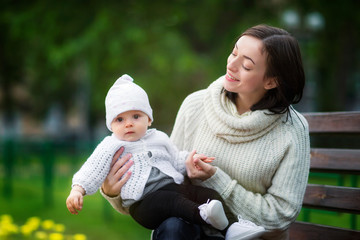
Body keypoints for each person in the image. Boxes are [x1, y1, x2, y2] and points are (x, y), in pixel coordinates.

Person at [101, 24, 310, 240]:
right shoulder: (195, 105)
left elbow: (279, 216)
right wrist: (113, 191)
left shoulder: (292, 130)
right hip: (189, 232)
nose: (231, 65)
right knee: (173, 228)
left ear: (271, 81)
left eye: (246, 65)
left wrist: (215, 179)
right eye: (234, 53)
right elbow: (162, 187)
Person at [66, 74, 263, 238]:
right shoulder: (111, 145)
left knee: (206, 195)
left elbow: (175, 159)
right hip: (143, 204)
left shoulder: (159, 138)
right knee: (171, 201)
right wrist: (77, 190)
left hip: (173, 189)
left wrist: (190, 161)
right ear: (111, 125)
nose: (128, 124)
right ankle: (202, 215)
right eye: (120, 119)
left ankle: (232, 228)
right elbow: (92, 168)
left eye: (136, 116)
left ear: (149, 119)